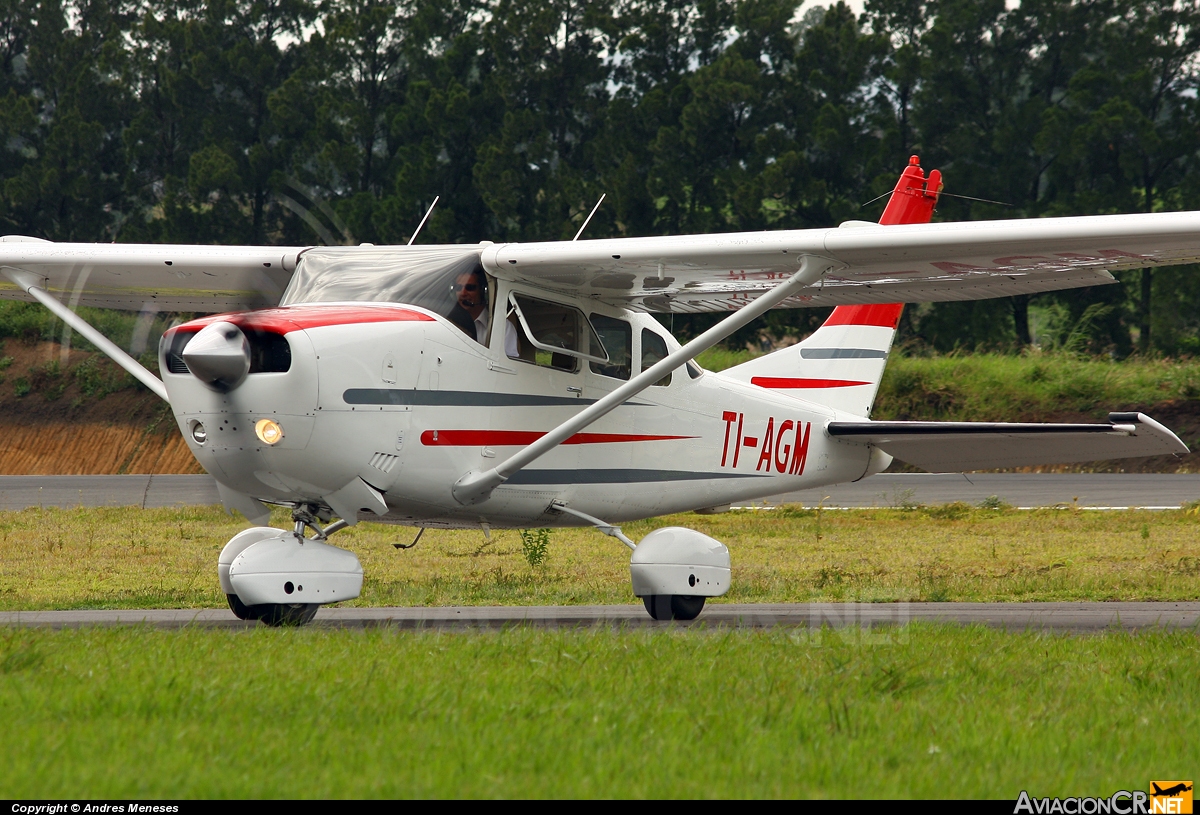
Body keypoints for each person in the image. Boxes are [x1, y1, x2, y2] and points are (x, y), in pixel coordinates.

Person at [452, 267, 519, 357]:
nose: (463, 293)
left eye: (470, 287)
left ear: (483, 291)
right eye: (458, 288)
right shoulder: (449, 322)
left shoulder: (503, 327)